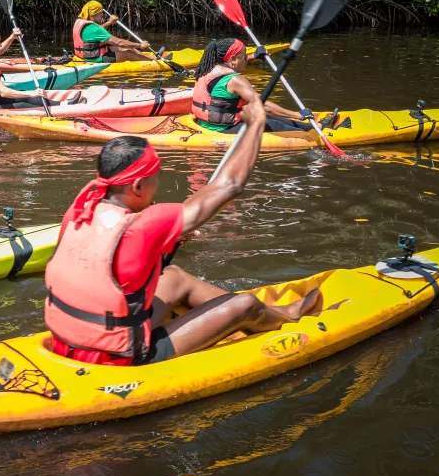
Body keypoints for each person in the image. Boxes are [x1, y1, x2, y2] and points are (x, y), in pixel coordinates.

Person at [43, 107, 323, 366]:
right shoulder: (146, 224)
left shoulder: (80, 210)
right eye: (157, 177)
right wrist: (256, 123)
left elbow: (108, 266)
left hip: (68, 340)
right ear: (139, 185)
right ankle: (289, 316)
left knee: (174, 275)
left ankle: (276, 312)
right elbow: (230, 185)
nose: (158, 184)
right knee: (245, 305)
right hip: (119, 357)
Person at [192, 38, 341, 134]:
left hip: (205, 124)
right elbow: (263, 104)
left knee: (271, 118)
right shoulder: (236, 80)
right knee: (274, 123)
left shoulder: (207, 68)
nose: (246, 59)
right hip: (223, 129)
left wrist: (254, 56)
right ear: (232, 60)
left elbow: (235, 62)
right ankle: (313, 133)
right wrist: (299, 115)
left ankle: (315, 127)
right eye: (244, 56)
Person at [0, 27, 80, 110]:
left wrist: (12, 37)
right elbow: (3, 92)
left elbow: (0, 49)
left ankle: (64, 104)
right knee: (23, 103)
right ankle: (63, 108)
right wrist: (32, 92)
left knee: (26, 96)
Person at [73, 1, 153, 63]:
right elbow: (119, 42)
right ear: (94, 14)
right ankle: (154, 62)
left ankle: (153, 58)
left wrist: (109, 22)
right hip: (95, 60)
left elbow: (97, 31)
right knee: (128, 53)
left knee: (125, 47)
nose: (102, 15)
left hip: (84, 56)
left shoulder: (81, 22)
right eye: (101, 12)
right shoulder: (95, 29)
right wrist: (140, 45)